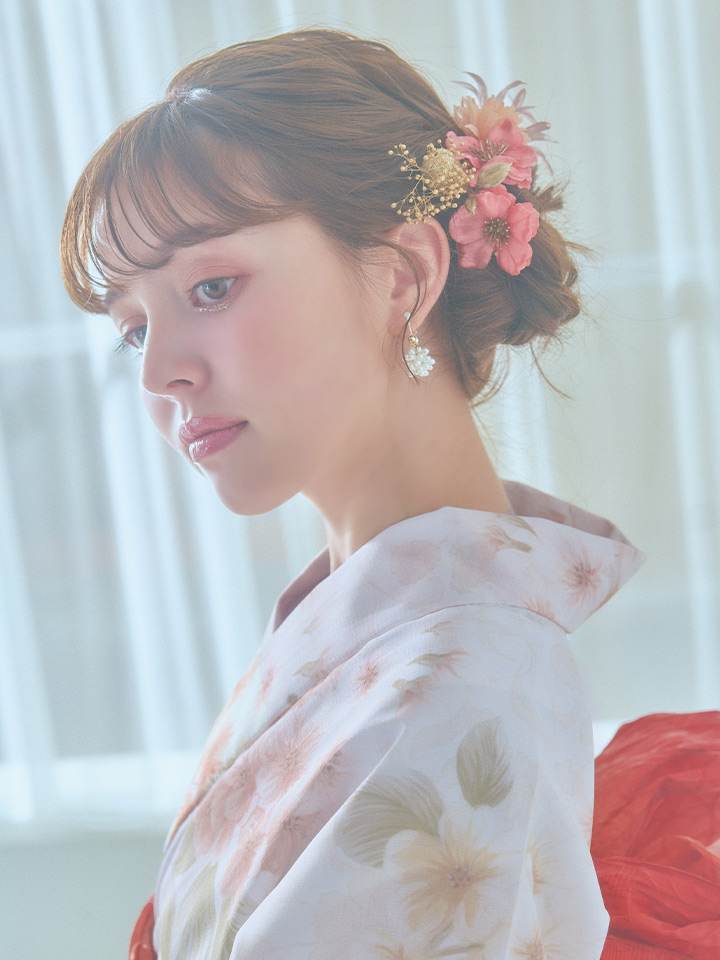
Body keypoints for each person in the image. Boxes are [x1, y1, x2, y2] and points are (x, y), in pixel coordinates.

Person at [60, 29, 718, 960]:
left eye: (211, 288)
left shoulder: (469, 680)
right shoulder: (362, 620)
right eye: (133, 328)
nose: (158, 371)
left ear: (404, 276)